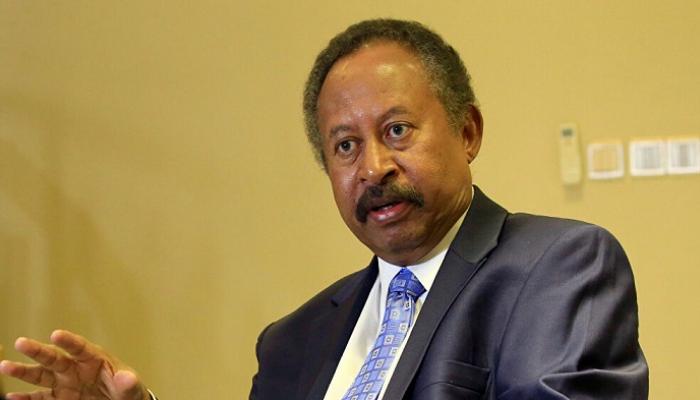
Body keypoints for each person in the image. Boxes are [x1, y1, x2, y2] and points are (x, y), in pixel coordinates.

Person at [0, 18, 648, 400]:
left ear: (468, 131)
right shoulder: (293, 340)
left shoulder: (556, 266)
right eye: (345, 146)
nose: (373, 167)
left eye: (397, 131)